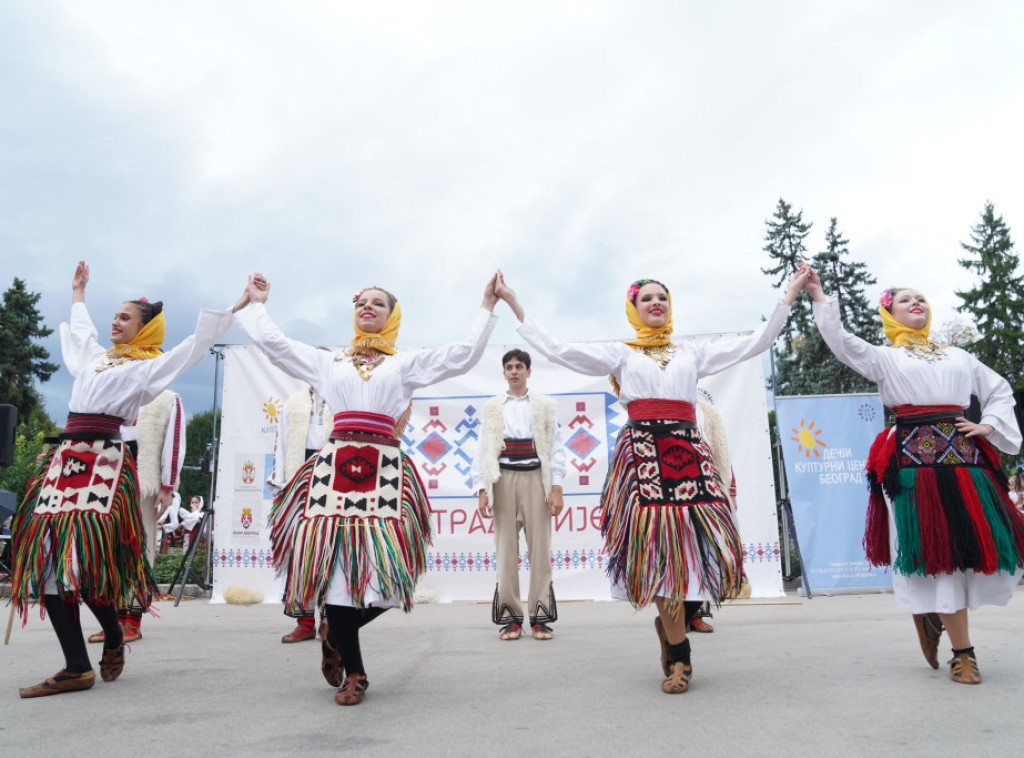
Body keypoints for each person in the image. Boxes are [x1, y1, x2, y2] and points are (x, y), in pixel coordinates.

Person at [495, 266, 809, 694]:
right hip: (643, 458)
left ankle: (674, 627)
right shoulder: (621, 354)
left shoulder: (691, 354)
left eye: (662, 296)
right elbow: (559, 349)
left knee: (698, 550)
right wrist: (514, 304)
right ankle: (681, 658)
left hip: (689, 455)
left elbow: (756, 342)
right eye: (646, 299)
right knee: (660, 555)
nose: (656, 302)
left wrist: (788, 295)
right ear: (633, 309)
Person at [233, 272, 499, 706]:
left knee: (392, 583)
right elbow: (276, 345)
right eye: (362, 303)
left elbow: (464, 355)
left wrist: (487, 307)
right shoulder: (330, 363)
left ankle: (335, 633)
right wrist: (258, 304)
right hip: (333, 472)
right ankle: (354, 673)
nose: (367, 307)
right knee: (338, 579)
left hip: (385, 473)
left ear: (393, 316)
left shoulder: (403, 364)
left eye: (378, 303)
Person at [11, 261, 234, 698]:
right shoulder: (95, 361)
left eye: (125, 317)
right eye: (114, 315)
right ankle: (77, 666)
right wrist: (78, 294)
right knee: (54, 565)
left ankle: (113, 637)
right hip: (65, 461)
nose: (115, 321)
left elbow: (191, 348)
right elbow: (82, 335)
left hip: (104, 464)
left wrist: (235, 306)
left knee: (86, 565)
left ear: (145, 329)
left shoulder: (147, 371)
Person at [806, 274, 1024, 685]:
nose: (916, 302)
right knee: (941, 557)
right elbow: (841, 341)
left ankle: (932, 616)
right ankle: (964, 654)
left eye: (921, 297)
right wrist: (818, 295)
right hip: (914, 466)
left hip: (965, 462)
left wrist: (989, 424)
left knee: (978, 550)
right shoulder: (884, 357)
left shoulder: (959, 356)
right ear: (889, 313)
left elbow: (1000, 390)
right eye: (905, 300)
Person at [470, 349, 567, 641]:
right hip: (502, 480)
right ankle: (511, 618)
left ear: (528, 371)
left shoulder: (545, 406)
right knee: (505, 551)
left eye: (519, 366)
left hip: (536, 480)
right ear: (503, 372)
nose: (514, 371)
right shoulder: (492, 407)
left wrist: (557, 488)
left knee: (540, 551)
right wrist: (482, 489)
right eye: (509, 367)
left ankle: (540, 617)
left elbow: (556, 447)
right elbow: (482, 449)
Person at [87, 390, 186, 644]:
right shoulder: (113, 392)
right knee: (109, 548)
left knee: (138, 547)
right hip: (108, 478)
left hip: (144, 482)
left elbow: (174, 444)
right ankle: (113, 622)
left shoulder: (166, 398)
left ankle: (133, 620)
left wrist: (168, 486)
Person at [267, 381, 332, 643]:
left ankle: (330, 620)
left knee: (330, 548)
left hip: (332, 478)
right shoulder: (293, 404)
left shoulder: (340, 399)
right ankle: (304, 622)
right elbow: (280, 445)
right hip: (300, 477)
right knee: (300, 550)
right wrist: (280, 484)